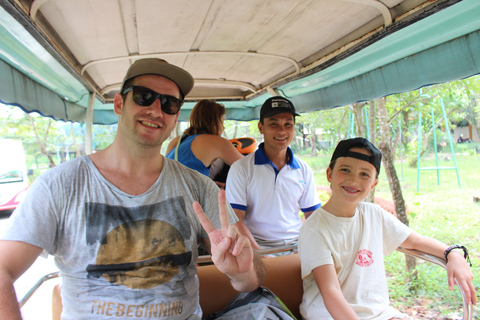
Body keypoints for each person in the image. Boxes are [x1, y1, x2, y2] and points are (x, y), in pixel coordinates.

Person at [0, 58, 265, 319]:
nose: (156, 110)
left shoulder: (198, 187)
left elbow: (252, 277)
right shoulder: (60, 185)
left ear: (175, 119)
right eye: (143, 96)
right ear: (119, 103)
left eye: (169, 104)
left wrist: (242, 274)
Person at [298, 137, 477, 320]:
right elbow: (331, 291)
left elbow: (415, 241)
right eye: (345, 170)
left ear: (374, 184)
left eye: (364, 174)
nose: (353, 180)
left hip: (379, 313)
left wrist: (452, 253)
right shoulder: (315, 228)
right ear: (330, 174)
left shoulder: (374, 214)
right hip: (329, 314)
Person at [226, 96, 321, 252]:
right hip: (256, 244)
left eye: (288, 124)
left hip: (297, 244)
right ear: (261, 127)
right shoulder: (241, 168)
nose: (282, 131)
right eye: (274, 124)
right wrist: (258, 253)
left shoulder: (303, 169)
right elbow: (235, 220)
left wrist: (312, 246)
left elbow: (313, 215)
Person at [166, 99, 243, 188]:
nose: (223, 127)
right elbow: (249, 168)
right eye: (222, 122)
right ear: (214, 123)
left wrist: (209, 185)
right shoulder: (216, 141)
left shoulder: (177, 140)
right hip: (189, 200)